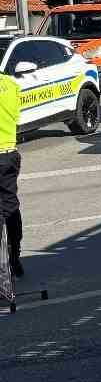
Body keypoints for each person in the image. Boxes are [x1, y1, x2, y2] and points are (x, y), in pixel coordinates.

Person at [0, 66, 21, 312]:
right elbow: (16, 117)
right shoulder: (11, 85)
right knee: (11, 206)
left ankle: (4, 270)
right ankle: (14, 257)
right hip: (9, 152)